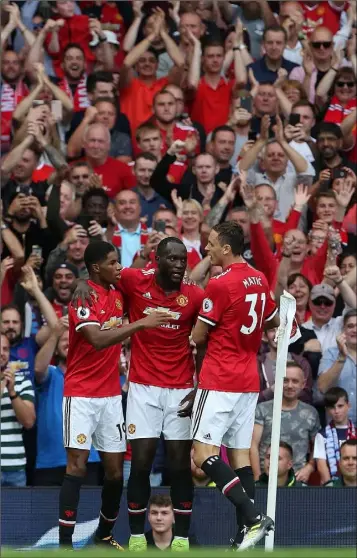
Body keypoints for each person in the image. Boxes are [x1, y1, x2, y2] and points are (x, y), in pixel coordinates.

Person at [73, 237, 205, 552]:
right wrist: (81, 283)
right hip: (143, 389)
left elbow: (211, 335)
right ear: (156, 260)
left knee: (178, 465)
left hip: (181, 390)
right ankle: (135, 536)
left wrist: (199, 386)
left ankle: (182, 538)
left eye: (183, 260)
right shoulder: (135, 281)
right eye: (171, 259)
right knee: (141, 463)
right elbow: (99, 274)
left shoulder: (195, 295)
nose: (178, 265)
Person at [58, 240, 171, 548]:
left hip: (109, 396)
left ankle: (104, 536)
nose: (118, 267)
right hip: (80, 394)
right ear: (96, 267)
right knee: (77, 466)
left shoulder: (118, 293)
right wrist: (140, 324)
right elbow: (95, 339)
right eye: (112, 262)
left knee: (115, 472)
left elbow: (146, 275)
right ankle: (65, 545)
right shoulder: (82, 299)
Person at [190, 221, 280, 551]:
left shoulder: (220, 283)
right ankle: (248, 536)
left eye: (212, 244)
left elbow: (199, 335)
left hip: (220, 377)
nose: (207, 248)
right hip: (248, 378)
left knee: (202, 455)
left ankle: (252, 516)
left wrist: (191, 335)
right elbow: (271, 317)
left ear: (226, 248)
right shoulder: (258, 278)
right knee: (240, 455)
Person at [251, 362, 320, 484]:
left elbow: (318, 446)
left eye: (295, 381)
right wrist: (257, 477)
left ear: (303, 384)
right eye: (285, 380)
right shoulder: (262, 409)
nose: (289, 385)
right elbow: (253, 445)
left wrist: (310, 467)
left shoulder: (311, 413)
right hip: (265, 478)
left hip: (297, 479)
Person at [1, 331, 35, 487]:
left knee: (18, 512)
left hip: (15, 468)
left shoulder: (22, 381)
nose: (2, 353)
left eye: (5, 349)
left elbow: (28, 422)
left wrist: (13, 392)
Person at [313, 387, 356, 484]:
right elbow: (321, 466)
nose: (336, 411)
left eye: (340, 406)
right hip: (333, 485)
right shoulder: (322, 435)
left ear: (348, 406)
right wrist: (331, 489)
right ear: (327, 410)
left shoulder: (355, 432)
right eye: (332, 407)